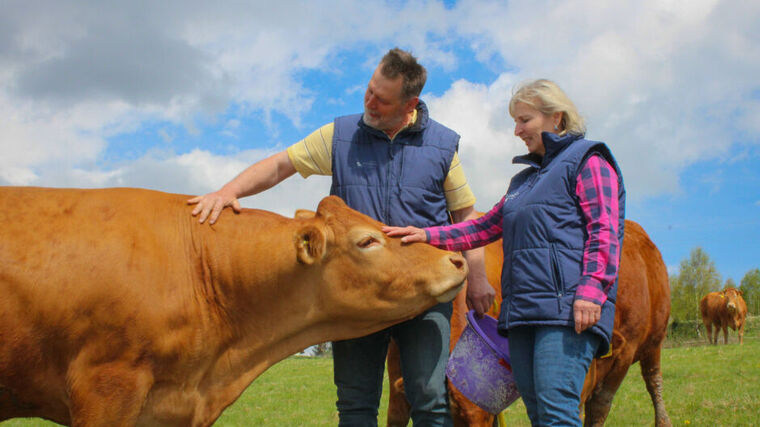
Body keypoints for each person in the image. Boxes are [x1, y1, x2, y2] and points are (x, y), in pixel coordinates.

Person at [188, 48, 495, 426]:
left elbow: (466, 215)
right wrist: (228, 191)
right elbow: (281, 165)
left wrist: (478, 277)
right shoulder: (342, 135)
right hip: (359, 294)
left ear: (410, 103)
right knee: (355, 404)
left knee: (429, 400)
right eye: (369, 90)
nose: (369, 102)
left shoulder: (442, 145)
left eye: (381, 100)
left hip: (423, 289)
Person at [384, 79, 625, 426]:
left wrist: (591, 290)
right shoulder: (523, 182)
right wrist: (425, 234)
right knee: (539, 413)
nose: (516, 131)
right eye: (516, 121)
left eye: (524, 120)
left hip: (567, 312)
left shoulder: (589, 161)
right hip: (523, 315)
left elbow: (605, 229)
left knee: (557, 414)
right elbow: (480, 228)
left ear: (556, 118)